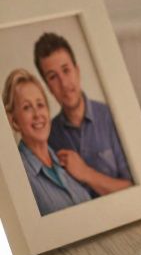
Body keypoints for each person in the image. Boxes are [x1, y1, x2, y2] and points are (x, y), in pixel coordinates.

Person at [34, 32, 133, 197]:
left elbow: (136, 190)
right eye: (53, 77)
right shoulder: (48, 136)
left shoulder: (112, 116)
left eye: (66, 70)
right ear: (47, 86)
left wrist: (86, 173)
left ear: (77, 71)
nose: (64, 84)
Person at [4, 68, 93, 215]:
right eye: (27, 107)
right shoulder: (19, 176)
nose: (37, 114)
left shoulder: (69, 162)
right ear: (14, 121)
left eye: (40, 105)